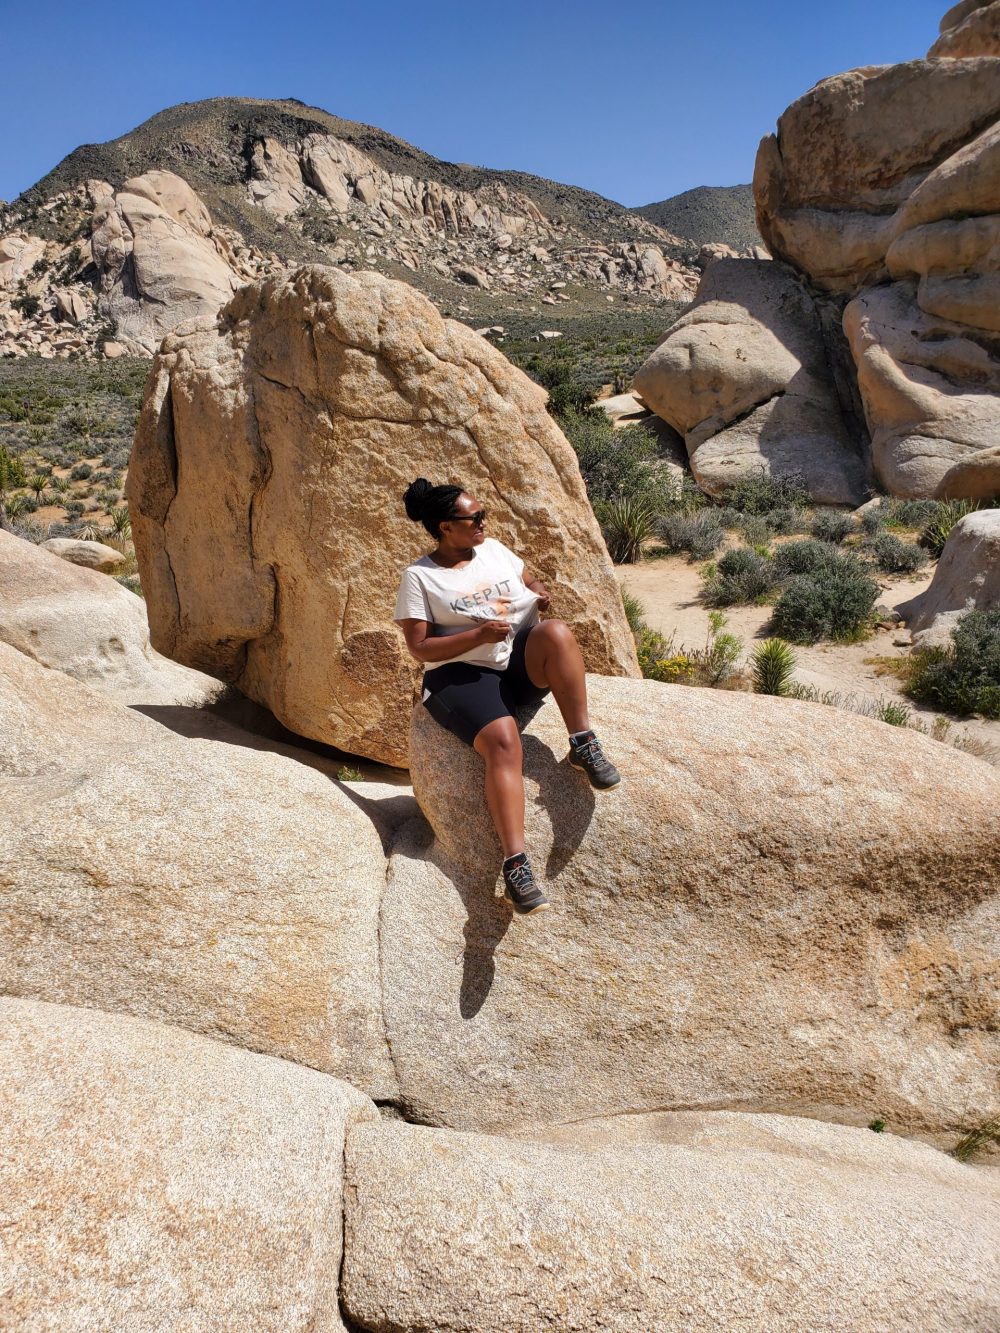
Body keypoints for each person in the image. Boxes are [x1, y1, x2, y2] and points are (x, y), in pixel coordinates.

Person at [394, 477, 620, 918]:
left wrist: (538, 593)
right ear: (445, 526)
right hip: (458, 674)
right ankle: (517, 866)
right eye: (473, 518)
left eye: (483, 515)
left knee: (555, 633)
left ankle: (583, 743)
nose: (483, 523)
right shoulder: (420, 577)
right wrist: (477, 633)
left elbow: (527, 578)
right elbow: (419, 648)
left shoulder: (494, 549)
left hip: (510, 659)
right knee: (504, 741)